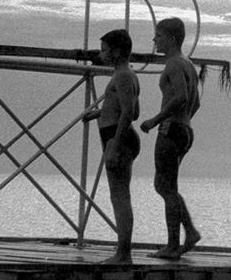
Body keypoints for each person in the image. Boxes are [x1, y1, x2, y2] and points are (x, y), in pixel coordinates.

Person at [139, 17, 202, 260]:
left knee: (166, 187)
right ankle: (189, 232)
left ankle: (173, 244)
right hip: (184, 129)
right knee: (166, 187)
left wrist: (156, 120)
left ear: (172, 38)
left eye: (159, 35)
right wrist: (185, 122)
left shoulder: (174, 64)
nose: (154, 39)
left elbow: (182, 97)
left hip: (171, 129)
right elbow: (196, 102)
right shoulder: (188, 64)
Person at [83, 29, 141, 264]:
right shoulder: (125, 76)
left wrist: (115, 146)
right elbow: (130, 109)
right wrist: (100, 112)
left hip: (119, 139)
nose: (101, 54)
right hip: (117, 135)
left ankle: (123, 253)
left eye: (105, 50)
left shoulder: (123, 76)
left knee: (120, 197)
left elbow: (129, 113)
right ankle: (122, 251)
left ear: (116, 52)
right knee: (118, 195)